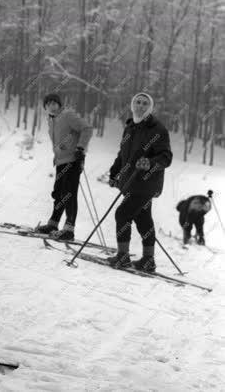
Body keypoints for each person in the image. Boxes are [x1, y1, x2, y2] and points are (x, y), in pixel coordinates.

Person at [106, 92, 173, 272]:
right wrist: (114, 173)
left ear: (150, 107)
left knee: (122, 214)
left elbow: (166, 157)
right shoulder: (130, 127)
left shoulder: (157, 129)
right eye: (137, 102)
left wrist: (150, 162)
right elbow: (123, 155)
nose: (140, 106)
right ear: (132, 104)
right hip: (131, 181)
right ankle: (148, 260)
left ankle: (123, 256)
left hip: (146, 183)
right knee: (143, 218)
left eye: (144, 103)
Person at [35, 93, 92, 241]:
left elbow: (86, 128)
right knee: (58, 193)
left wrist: (80, 148)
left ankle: (69, 230)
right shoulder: (51, 120)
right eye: (48, 104)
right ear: (45, 107)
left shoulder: (67, 115)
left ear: (59, 104)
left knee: (69, 193)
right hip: (61, 162)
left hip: (73, 160)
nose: (51, 106)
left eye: (54, 103)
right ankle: (53, 224)